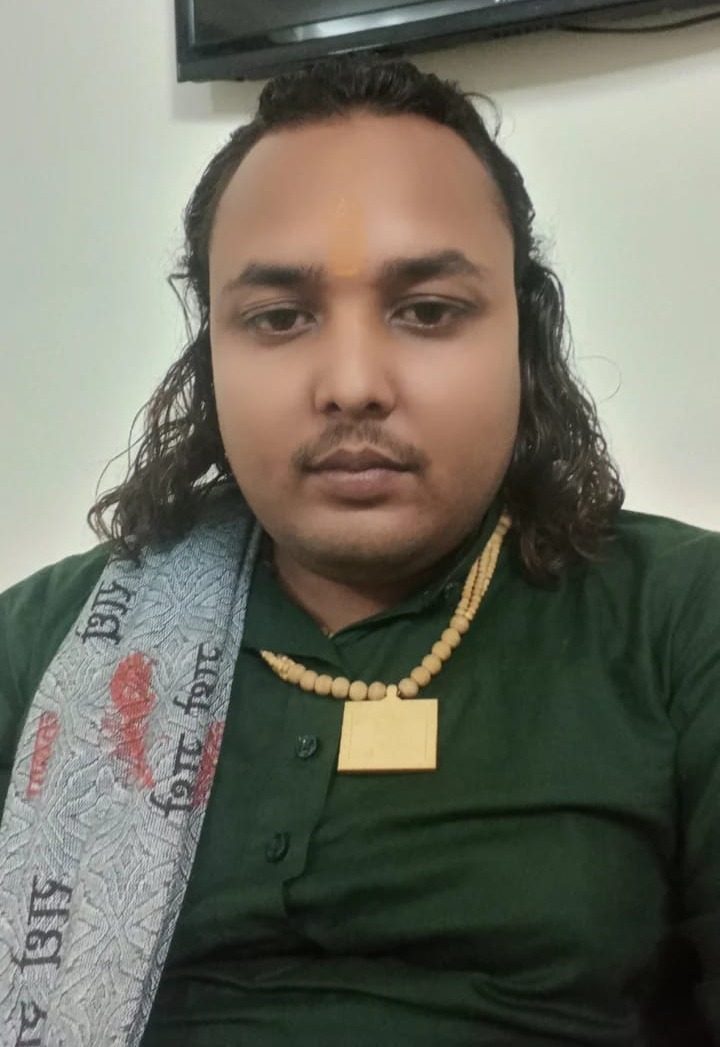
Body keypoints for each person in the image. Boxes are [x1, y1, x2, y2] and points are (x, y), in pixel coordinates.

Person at [0, 52, 717, 1047]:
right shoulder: (53, 646)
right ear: (210, 355)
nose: (351, 384)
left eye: (427, 311)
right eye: (280, 318)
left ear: (525, 335)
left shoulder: (681, 621)